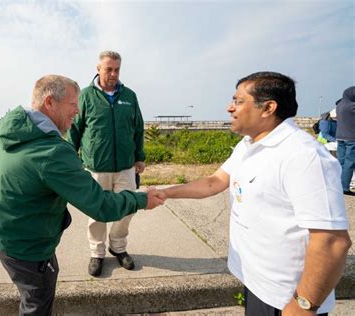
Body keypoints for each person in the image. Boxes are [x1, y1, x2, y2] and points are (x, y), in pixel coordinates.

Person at [156, 72, 351, 315]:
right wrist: (166, 193)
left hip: (287, 297)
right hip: (257, 283)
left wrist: (304, 305)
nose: (230, 108)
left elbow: (332, 242)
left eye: (238, 101)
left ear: (268, 107)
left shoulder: (303, 156)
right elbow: (214, 182)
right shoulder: (249, 144)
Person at [0, 75, 164, 315]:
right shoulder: (51, 152)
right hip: (30, 248)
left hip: (6, 235)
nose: (78, 111)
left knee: (31, 299)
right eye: (73, 104)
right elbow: (101, 205)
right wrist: (142, 199)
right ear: (50, 102)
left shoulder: (14, 131)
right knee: (36, 305)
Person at [67, 51, 146, 277]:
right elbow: (74, 130)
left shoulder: (129, 96)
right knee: (97, 213)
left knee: (128, 207)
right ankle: (97, 253)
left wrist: (139, 157)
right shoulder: (86, 96)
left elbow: (138, 128)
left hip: (125, 166)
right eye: (108, 69)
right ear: (98, 69)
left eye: (117, 69)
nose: (113, 74)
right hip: (95, 166)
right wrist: (70, 158)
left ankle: (118, 247)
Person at [335, 86, 355, 196]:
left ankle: (338, 185)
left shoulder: (340, 105)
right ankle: (345, 187)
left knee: (341, 162)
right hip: (352, 137)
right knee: (349, 163)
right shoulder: (352, 106)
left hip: (340, 136)